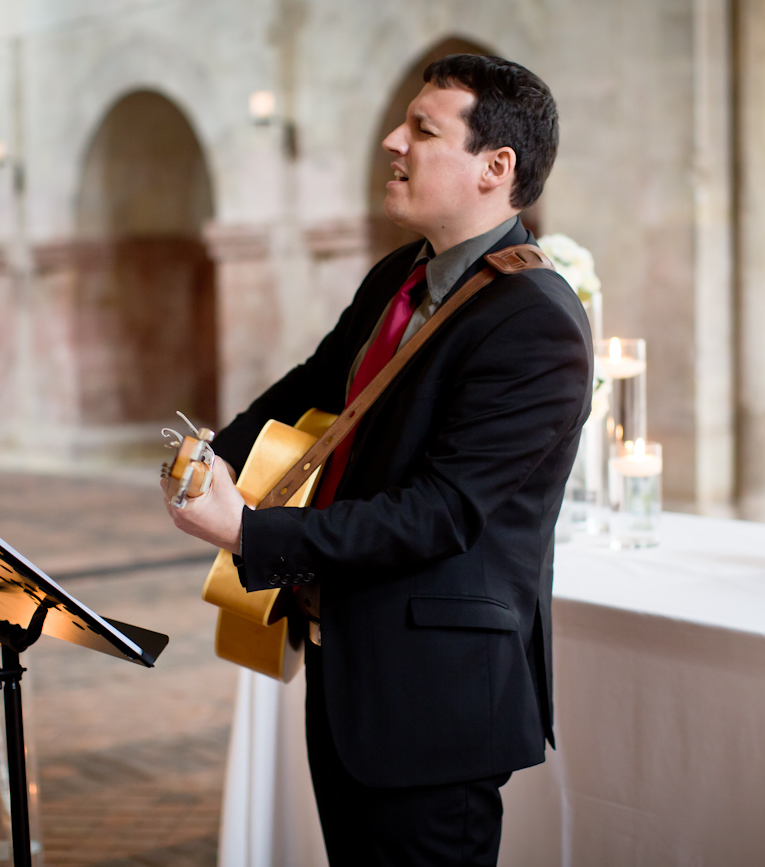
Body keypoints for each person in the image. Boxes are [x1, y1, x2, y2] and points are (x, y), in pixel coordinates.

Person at [165, 53, 592, 866]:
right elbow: (313, 385)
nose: (392, 140)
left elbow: (441, 511)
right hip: (353, 664)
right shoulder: (404, 274)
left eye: (423, 130)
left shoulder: (536, 322)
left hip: (437, 696)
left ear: (494, 169)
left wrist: (252, 532)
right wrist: (211, 456)